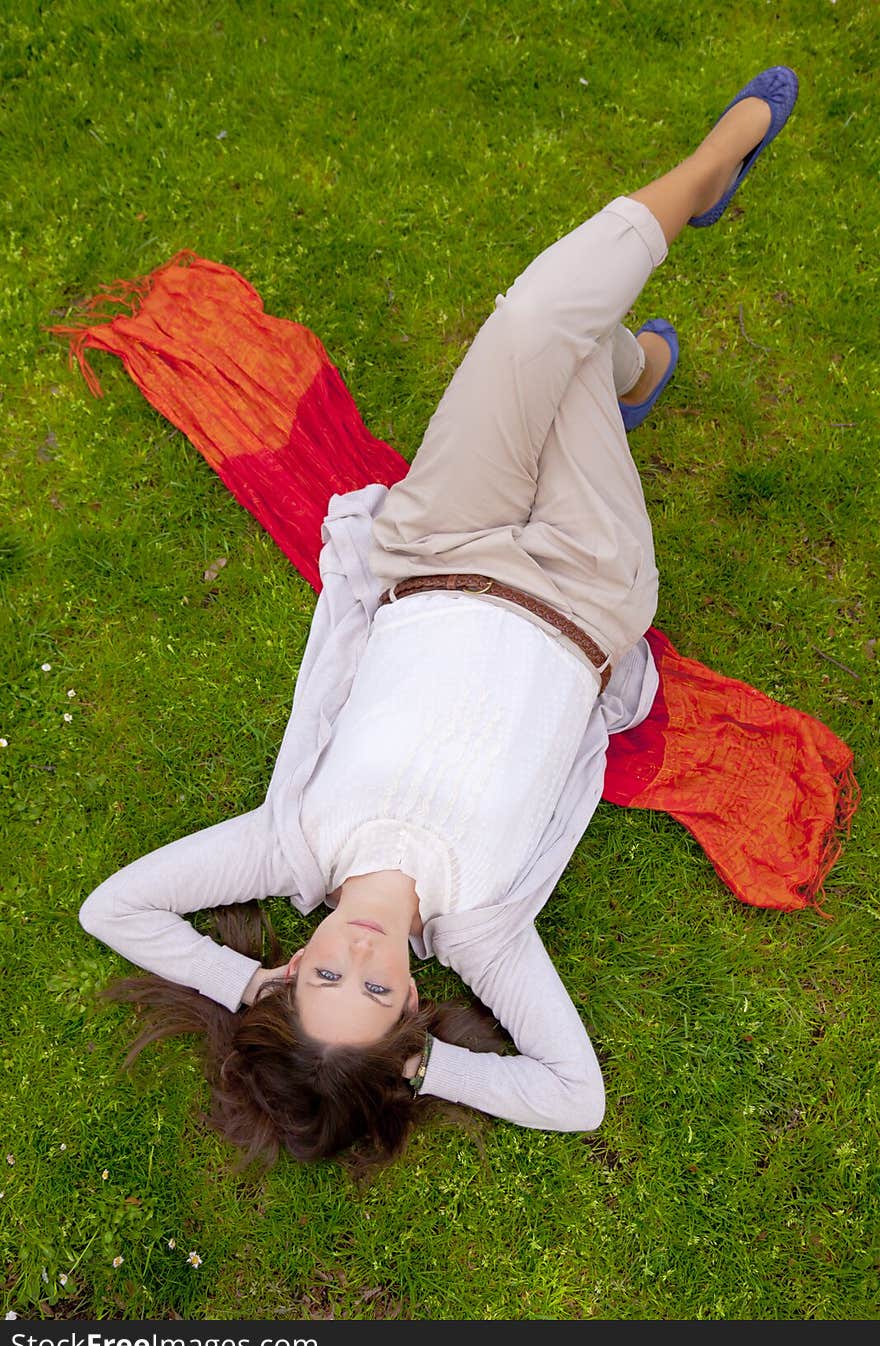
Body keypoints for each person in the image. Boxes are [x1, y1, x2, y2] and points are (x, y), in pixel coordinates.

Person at [79, 68, 800, 1174]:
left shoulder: (286, 845)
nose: (358, 954)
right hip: (582, 582)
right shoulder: (487, 931)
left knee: (532, 322)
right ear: (413, 1001)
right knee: (548, 333)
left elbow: (113, 908)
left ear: (293, 965)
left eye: (323, 975)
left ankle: (676, 235)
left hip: (436, 541)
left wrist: (244, 986)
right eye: (376, 990)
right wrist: (420, 1069)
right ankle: (640, 319)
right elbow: (575, 1099)